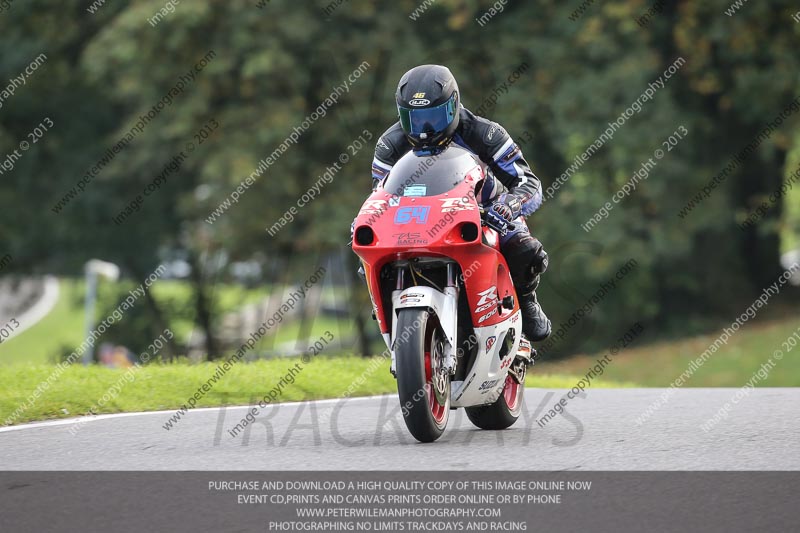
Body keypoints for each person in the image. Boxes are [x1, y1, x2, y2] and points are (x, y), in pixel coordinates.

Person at [370, 64, 551, 342]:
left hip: (486, 213)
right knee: (368, 255)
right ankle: (383, 306)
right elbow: (380, 194)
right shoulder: (389, 145)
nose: (424, 129)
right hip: (417, 217)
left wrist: (510, 205)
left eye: (433, 117)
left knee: (525, 249)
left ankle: (526, 300)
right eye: (414, 119)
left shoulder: (485, 134)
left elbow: (529, 182)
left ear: (454, 105)